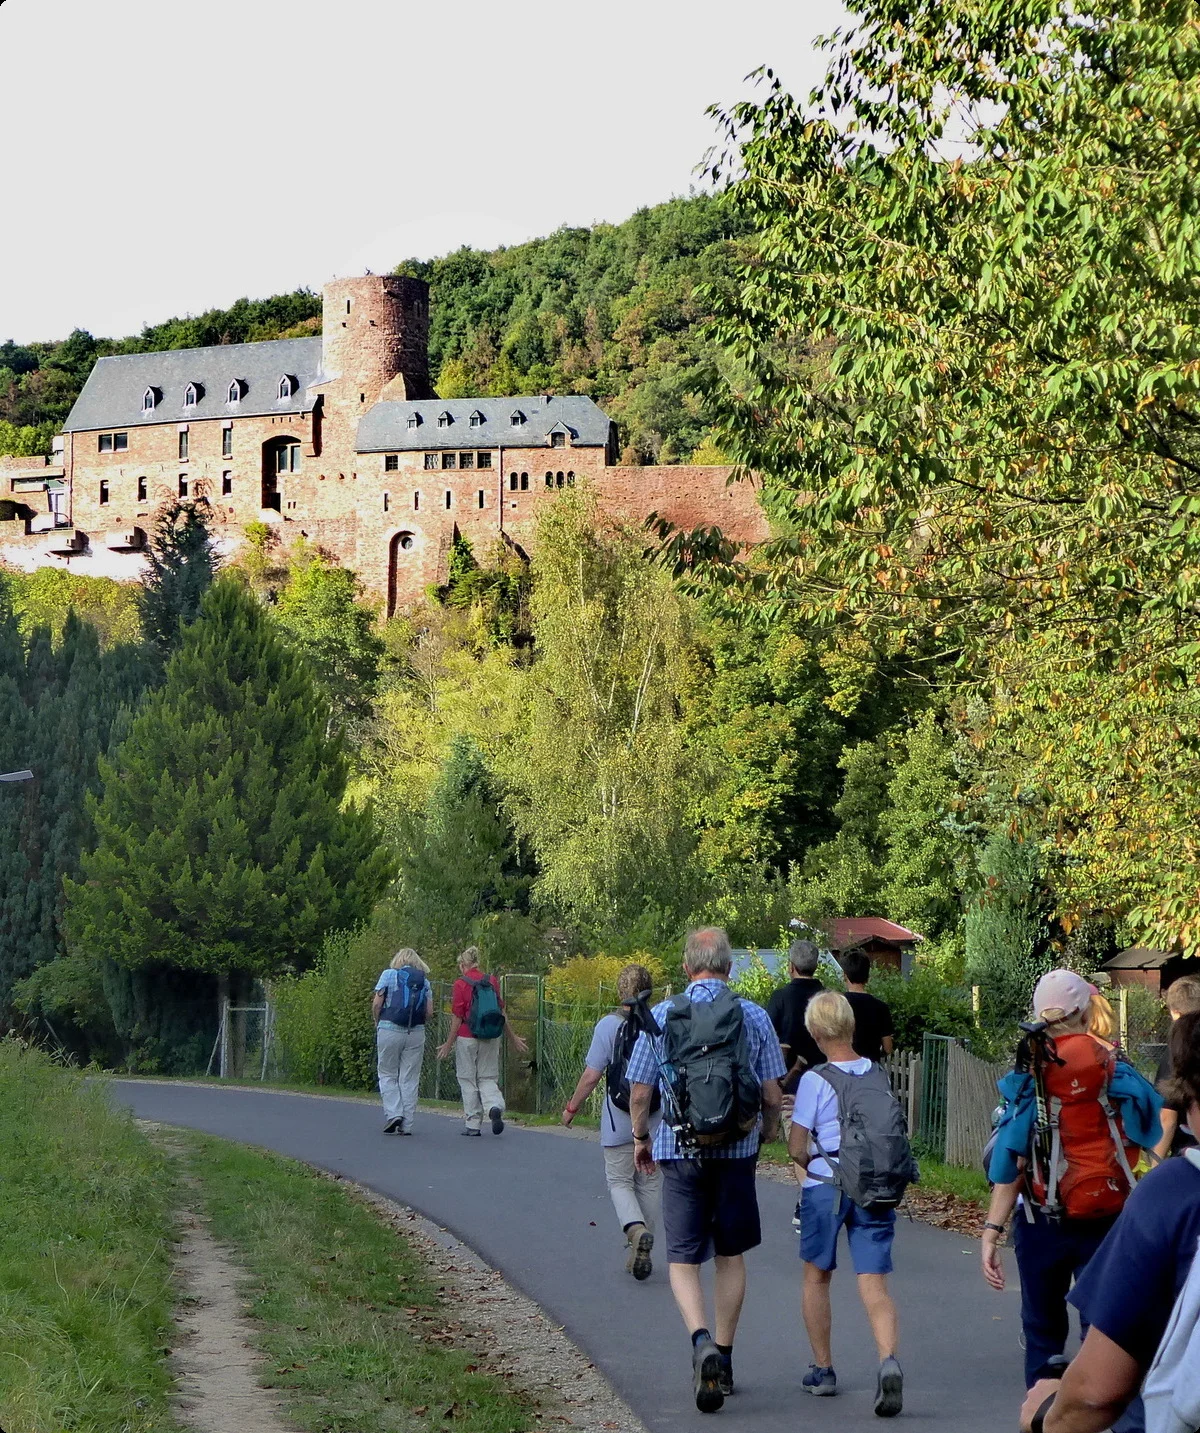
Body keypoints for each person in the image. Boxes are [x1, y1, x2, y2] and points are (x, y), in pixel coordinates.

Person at [626, 926, 785, 1414]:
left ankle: (700, 1343)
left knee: (683, 1259)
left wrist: (640, 1138)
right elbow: (772, 1094)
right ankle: (727, 1356)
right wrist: (769, 1129)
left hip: (682, 1153)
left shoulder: (663, 1015)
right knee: (731, 1257)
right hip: (737, 1154)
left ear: (686, 965)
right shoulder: (753, 1016)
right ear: (729, 966)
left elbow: (639, 1092)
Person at [1019, 1010, 1200, 1433]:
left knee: (1053, 1327)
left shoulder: (1177, 1193)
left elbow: (1096, 1394)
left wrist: (1048, 1418)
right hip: (1107, 1203)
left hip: (1048, 1212)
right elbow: (1145, 1111)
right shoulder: (1114, 1066)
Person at [982, 969, 1163, 1388]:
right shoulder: (1116, 1070)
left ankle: (1045, 1415)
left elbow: (1012, 1162)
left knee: (1043, 1332)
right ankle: (1101, 1411)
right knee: (1104, 1332)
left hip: (1043, 1221)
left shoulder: (1032, 1081)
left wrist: (992, 1230)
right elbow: (1154, 1126)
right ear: (1084, 1012)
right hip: (1109, 1219)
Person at [789, 990, 905, 1417]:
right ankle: (887, 1361)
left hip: (826, 1187)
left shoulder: (815, 1080)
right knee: (874, 1284)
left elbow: (797, 1147)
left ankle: (824, 1371)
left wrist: (809, 1160)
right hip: (874, 1186)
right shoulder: (876, 1073)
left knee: (816, 1277)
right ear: (852, 1027)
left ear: (815, 1033)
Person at [562, 964, 664, 1279]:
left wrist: (572, 1107)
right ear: (650, 991)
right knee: (650, 1181)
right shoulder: (660, 1023)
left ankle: (635, 1233)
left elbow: (592, 1075)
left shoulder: (608, 1025)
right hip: (654, 1117)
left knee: (619, 1181)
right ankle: (641, 1239)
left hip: (619, 1118)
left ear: (619, 992)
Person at [437, 946, 527, 1136]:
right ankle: (494, 1107)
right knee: (487, 1078)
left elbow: (457, 1017)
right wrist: (513, 1037)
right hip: (490, 1036)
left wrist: (448, 1043)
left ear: (463, 965)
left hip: (466, 1037)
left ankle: (473, 1124)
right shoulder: (491, 981)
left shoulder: (460, 984)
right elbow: (501, 1012)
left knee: (467, 1079)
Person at [373, 948, 434, 1135]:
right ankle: (407, 1125)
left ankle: (394, 1113)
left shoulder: (389, 974)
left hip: (389, 1028)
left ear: (397, 960)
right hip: (415, 1032)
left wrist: (377, 1022)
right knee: (409, 1078)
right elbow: (430, 1012)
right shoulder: (424, 980)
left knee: (387, 1072)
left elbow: (377, 1003)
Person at [766, 939, 827, 1091]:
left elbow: (768, 1039)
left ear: (791, 967)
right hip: (825, 1077)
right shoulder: (829, 998)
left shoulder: (779, 997)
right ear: (816, 966)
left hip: (787, 1082)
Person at [1154, 975, 1200, 1160]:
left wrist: (1154, 1162)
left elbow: (1168, 1118)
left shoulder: (1176, 1053)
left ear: (1174, 1012)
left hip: (1187, 1154)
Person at [839, 949, 896, 1063]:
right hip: (870, 1069)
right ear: (868, 976)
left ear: (845, 975)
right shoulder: (881, 1007)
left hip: (842, 1068)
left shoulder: (837, 1004)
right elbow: (888, 1048)